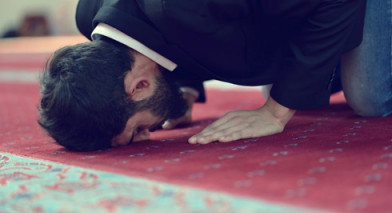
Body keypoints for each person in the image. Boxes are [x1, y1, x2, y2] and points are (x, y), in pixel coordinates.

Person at [39, 0, 369, 152]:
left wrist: (277, 110)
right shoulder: (92, 17)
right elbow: (158, 38)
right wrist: (185, 89)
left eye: (138, 128)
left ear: (139, 87)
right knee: (289, 75)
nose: (149, 134)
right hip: (279, 20)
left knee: (368, 96)